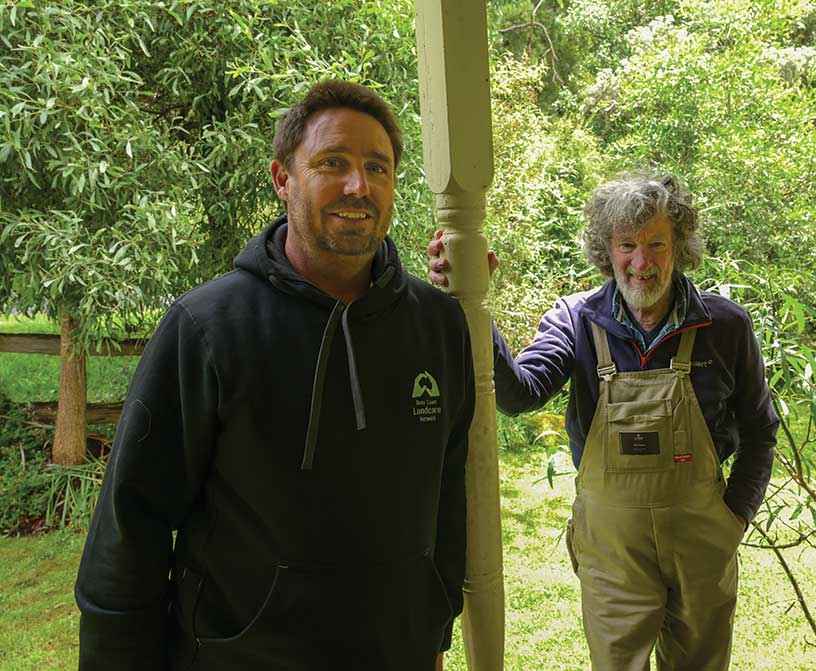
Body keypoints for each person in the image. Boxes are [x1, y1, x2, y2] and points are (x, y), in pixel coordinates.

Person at [76, 80, 475, 671]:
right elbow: (131, 525)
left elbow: (445, 500)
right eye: (331, 163)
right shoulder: (207, 327)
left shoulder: (436, 326)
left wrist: (433, 631)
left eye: (377, 167)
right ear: (282, 178)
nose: (358, 186)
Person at [428, 171, 779, 671]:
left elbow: (761, 430)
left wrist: (734, 518)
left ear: (679, 245)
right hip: (612, 553)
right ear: (606, 250)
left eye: (657, 243)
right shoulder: (577, 320)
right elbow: (519, 394)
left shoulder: (724, 328)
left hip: (703, 544)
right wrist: (474, 304)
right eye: (627, 244)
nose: (642, 262)